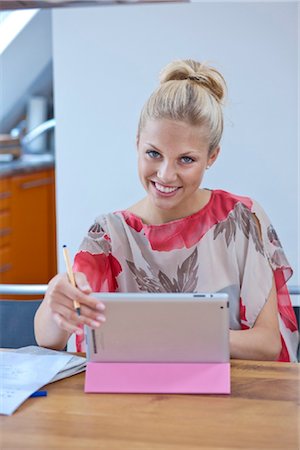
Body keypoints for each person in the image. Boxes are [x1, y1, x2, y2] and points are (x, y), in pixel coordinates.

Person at [34, 59, 299, 362]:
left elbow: (267, 344)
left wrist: (176, 335)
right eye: (153, 153)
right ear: (137, 143)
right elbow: (48, 340)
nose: (165, 175)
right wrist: (54, 303)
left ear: (212, 156)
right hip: (136, 398)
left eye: (186, 159)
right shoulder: (107, 235)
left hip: (228, 398)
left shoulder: (241, 218)